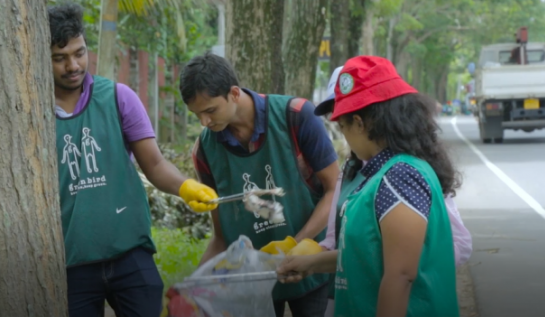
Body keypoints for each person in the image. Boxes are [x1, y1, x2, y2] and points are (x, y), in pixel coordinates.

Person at [47, 4, 219, 317]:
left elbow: (153, 164)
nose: (72, 65)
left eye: (79, 52)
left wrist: (186, 187)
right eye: (59, 58)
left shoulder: (118, 97)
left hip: (130, 256)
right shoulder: (33, 111)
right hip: (71, 264)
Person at [277, 56, 462, 317]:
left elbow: (400, 275)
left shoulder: (399, 177)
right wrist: (310, 264)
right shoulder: (378, 175)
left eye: (342, 127)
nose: (344, 137)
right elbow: (367, 256)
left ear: (360, 123)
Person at [179, 51, 340, 317]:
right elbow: (221, 236)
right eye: (197, 115)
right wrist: (192, 289)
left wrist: (295, 245)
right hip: (252, 283)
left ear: (233, 93)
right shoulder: (205, 150)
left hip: (313, 269)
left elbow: (334, 189)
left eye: (210, 111)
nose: (204, 122)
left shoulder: (297, 116)